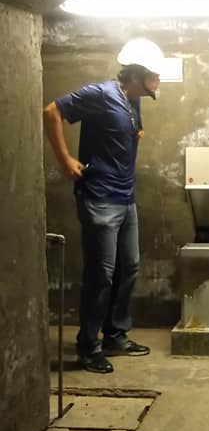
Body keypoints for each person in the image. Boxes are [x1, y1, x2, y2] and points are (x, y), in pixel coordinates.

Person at [43, 38, 164, 373]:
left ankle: (115, 335)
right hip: (99, 198)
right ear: (135, 74)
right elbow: (52, 112)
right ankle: (88, 346)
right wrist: (65, 159)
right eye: (153, 75)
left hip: (125, 198)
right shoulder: (100, 94)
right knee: (101, 275)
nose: (158, 81)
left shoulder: (133, 100)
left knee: (130, 267)